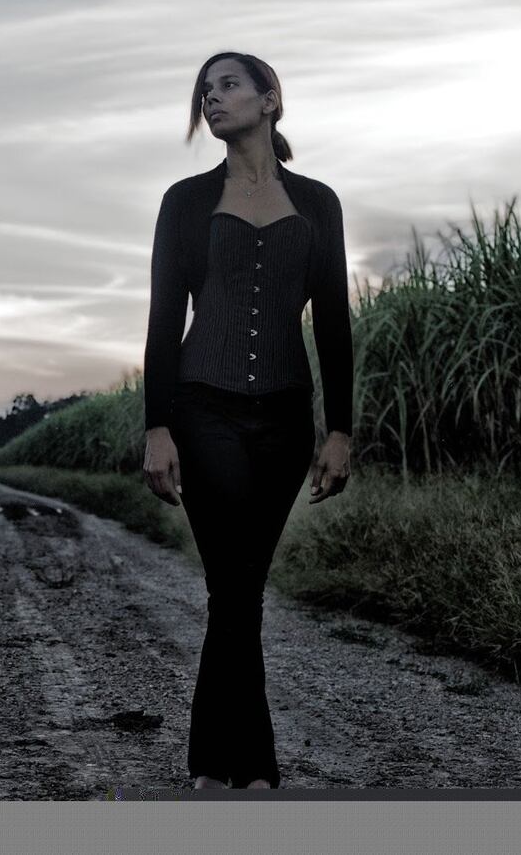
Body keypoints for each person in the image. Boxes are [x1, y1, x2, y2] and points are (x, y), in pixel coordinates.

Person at [140, 51, 353, 790]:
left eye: (228, 84)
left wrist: (339, 429)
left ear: (270, 99)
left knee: (244, 587)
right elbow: (165, 320)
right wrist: (157, 427)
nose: (212, 97)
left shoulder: (319, 203)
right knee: (233, 587)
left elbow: (334, 321)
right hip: (204, 410)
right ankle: (243, 768)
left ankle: (219, 764)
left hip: (288, 419)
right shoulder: (186, 200)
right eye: (205, 90)